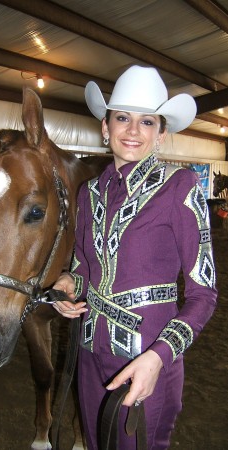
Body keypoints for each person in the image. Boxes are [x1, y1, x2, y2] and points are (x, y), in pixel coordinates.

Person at [52, 65, 217, 450]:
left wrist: (159, 358)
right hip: (90, 355)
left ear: (160, 134)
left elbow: (203, 295)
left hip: (148, 360)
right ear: (106, 127)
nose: (132, 130)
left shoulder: (181, 188)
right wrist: (67, 285)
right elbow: (82, 268)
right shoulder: (88, 192)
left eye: (147, 122)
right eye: (122, 118)